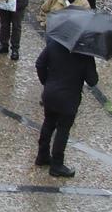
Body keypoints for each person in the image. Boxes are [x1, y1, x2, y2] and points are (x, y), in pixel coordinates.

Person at [34, 37, 97, 178]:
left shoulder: (55, 44)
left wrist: (47, 82)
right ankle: (57, 164)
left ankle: (42, 156)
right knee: (63, 130)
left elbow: (39, 64)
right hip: (69, 99)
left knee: (48, 123)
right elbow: (93, 81)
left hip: (50, 94)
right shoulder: (85, 53)